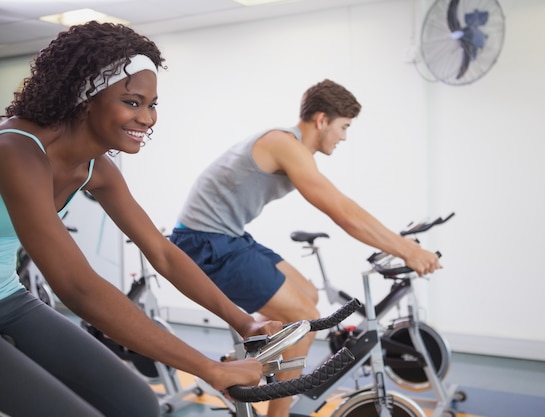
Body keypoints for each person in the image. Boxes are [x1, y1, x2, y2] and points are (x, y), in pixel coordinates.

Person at [0, 21, 281, 417]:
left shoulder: (97, 167)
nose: (147, 119)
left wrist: (244, 322)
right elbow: (77, 288)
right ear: (85, 97)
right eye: (132, 102)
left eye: (151, 105)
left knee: (137, 404)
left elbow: (161, 254)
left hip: (6, 298)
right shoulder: (16, 151)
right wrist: (208, 369)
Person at [169, 78, 443, 417]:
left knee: (308, 295)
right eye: (343, 127)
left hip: (228, 236)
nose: (344, 136)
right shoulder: (285, 144)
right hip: (204, 242)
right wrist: (407, 250)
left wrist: (402, 245)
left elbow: (345, 207)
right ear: (321, 120)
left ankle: (234, 365)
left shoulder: (293, 148)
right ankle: (276, 413)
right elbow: (343, 212)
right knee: (304, 319)